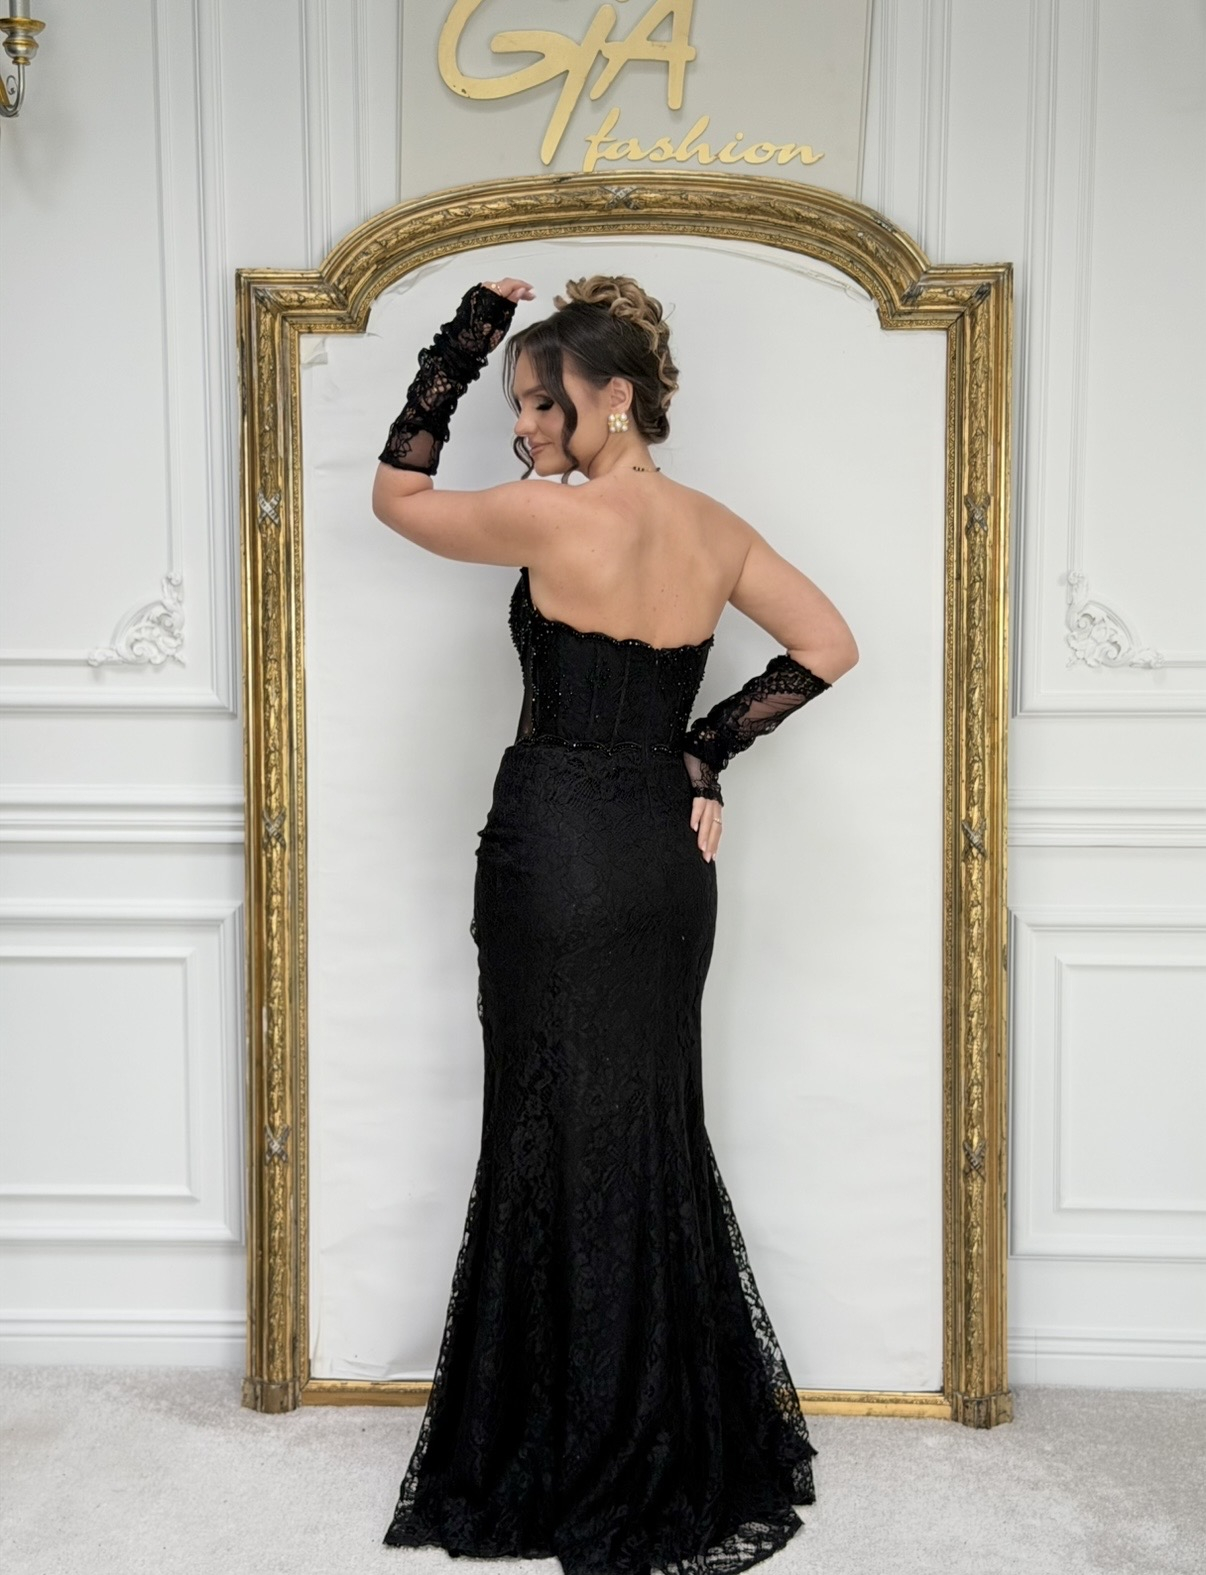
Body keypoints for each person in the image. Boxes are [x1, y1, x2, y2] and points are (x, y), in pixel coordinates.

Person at [370, 273, 859, 1575]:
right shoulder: (714, 528)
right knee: (643, 1121)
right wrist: (701, 754)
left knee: (546, 1122)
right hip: (658, 856)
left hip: (553, 850)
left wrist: (465, 335)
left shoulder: (549, 518)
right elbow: (826, 644)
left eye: (544, 404)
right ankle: (662, 1430)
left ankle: (556, 1443)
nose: (526, 429)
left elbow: (398, 496)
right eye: (518, 405)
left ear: (616, 397)